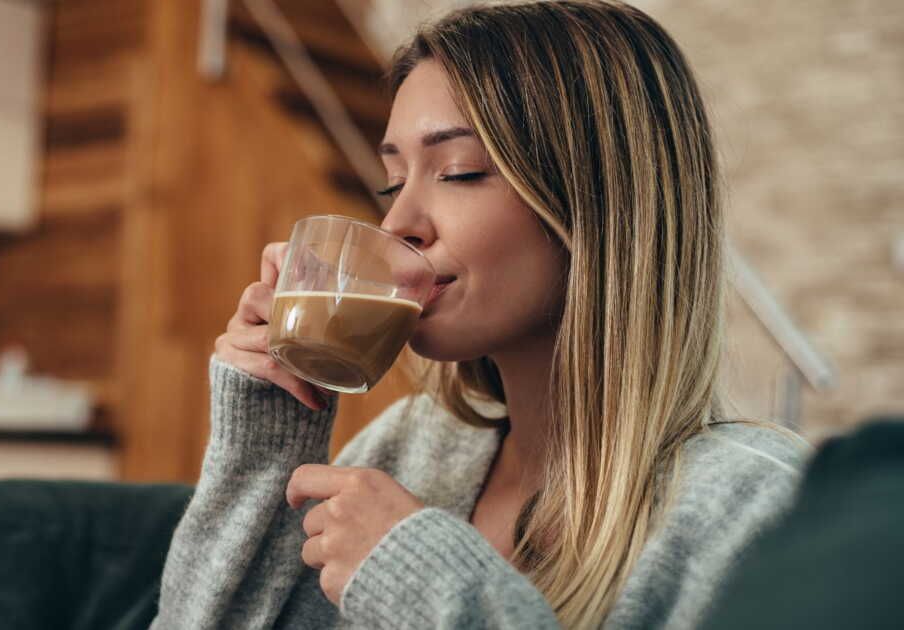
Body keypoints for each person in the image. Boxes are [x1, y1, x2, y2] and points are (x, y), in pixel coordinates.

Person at [152, 2, 809, 628]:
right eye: (393, 182)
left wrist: (429, 588)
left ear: (601, 206)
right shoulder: (413, 446)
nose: (396, 223)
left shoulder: (759, 506)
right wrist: (263, 440)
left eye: (459, 172)